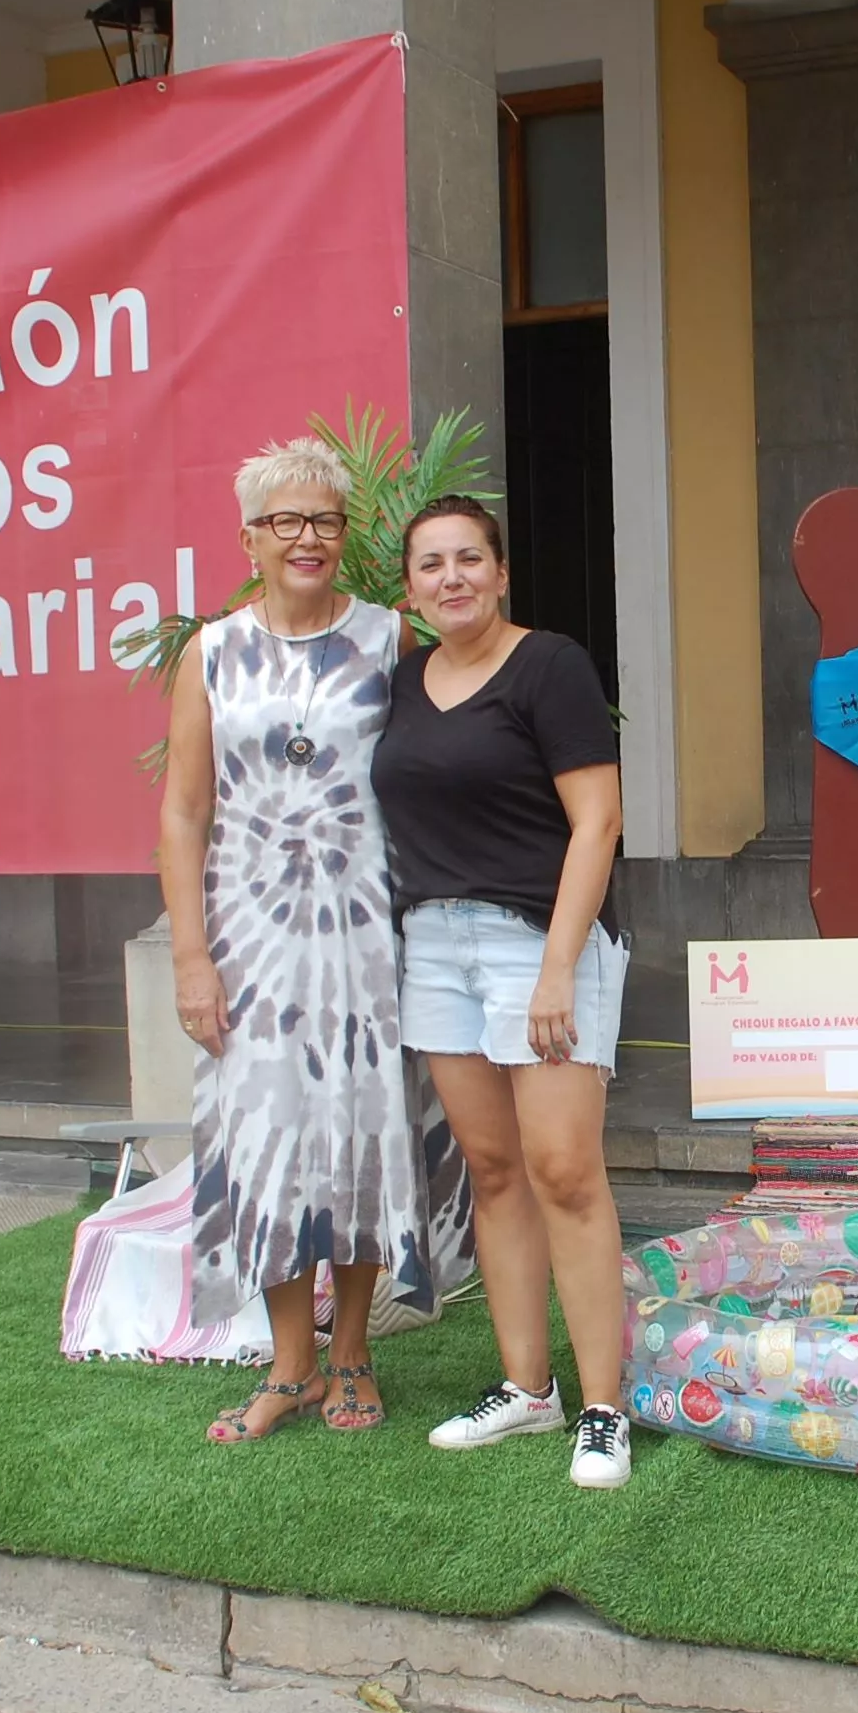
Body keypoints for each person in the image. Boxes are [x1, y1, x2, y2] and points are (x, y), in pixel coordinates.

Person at [157, 437, 451, 1442]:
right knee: (270, 1133)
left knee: (361, 1130)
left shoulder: (389, 639)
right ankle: (289, 1363)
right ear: (248, 537)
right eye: (284, 520)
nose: (307, 538)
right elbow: (182, 811)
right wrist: (190, 957)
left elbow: (425, 775)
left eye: (324, 519)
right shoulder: (210, 652)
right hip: (251, 937)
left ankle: (354, 1352)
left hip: (366, 929)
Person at [371, 498, 635, 1490]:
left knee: (563, 1169)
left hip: (537, 938)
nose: (451, 577)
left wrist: (559, 963)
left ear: (501, 571)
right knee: (490, 1169)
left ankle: (603, 1404)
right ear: (409, 588)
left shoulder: (548, 665)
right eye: (431, 563)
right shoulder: (402, 679)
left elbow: (595, 819)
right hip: (433, 942)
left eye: (468, 558)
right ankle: (528, 1388)